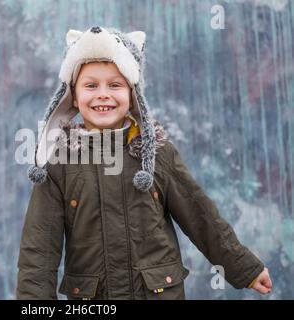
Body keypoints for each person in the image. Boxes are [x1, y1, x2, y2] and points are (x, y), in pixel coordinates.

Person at [16, 26, 272, 299]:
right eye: (91, 85)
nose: (103, 94)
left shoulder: (157, 155)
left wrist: (244, 267)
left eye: (115, 85)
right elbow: (39, 247)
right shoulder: (59, 163)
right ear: (74, 97)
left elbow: (201, 216)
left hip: (156, 292)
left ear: (133, 94)